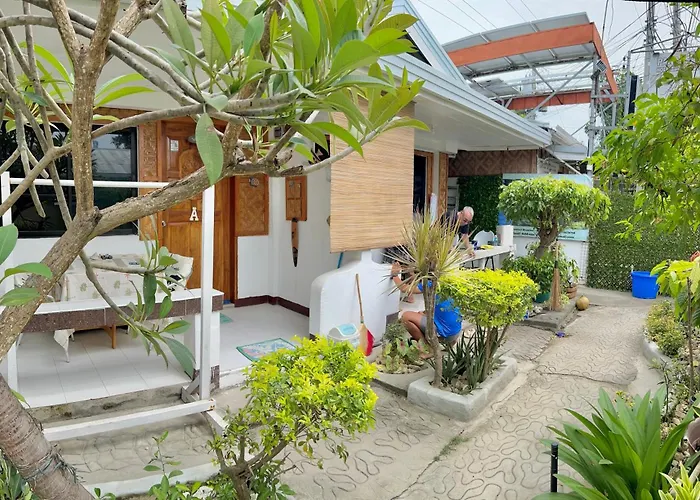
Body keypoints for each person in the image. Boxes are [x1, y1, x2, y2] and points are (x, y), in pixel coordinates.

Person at [390, 262, 463, 351]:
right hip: (455, 333)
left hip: (444, 334)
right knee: (423, 313)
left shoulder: (431, 284)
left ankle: (427, 348)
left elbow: (404, 288)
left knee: (406, 317)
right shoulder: (449, 283)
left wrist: (395, 274)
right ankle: (449, 345)